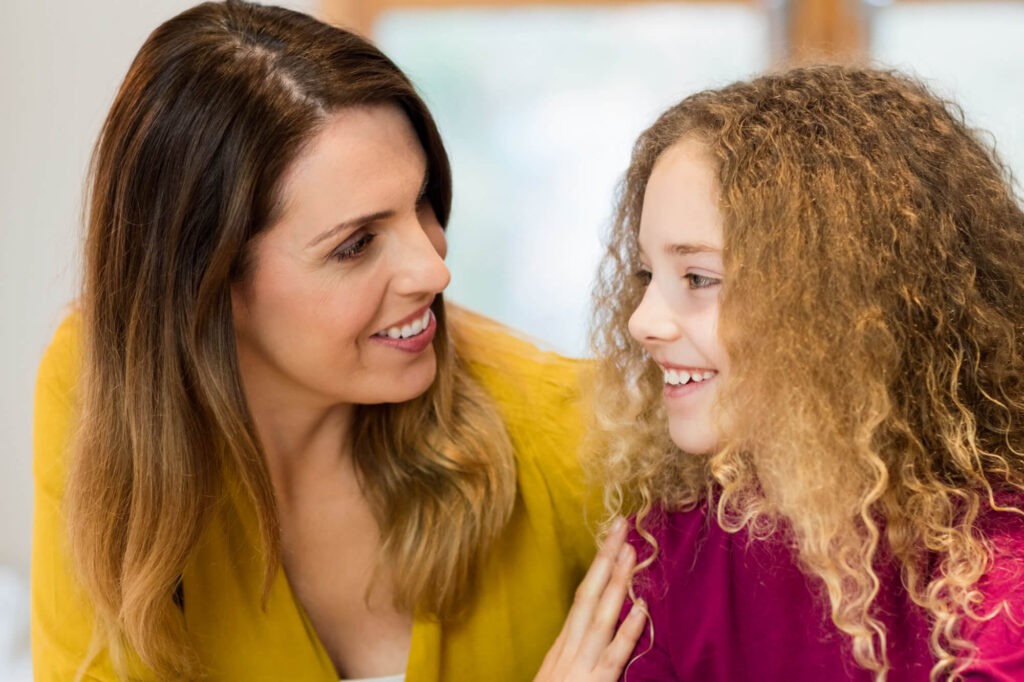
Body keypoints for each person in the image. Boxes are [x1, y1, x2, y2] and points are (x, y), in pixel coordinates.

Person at [31, 2, 644, 680]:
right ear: (206, 281)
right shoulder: (98, 384)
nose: (434, 270)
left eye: (422, 203)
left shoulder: (576, 431)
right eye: (355, 244)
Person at [589, 64, 1024, 680]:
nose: (642, 321)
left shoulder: (995, 572)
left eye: (700, 278)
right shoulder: (671, 545)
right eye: (646, 275)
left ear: (845, 304)